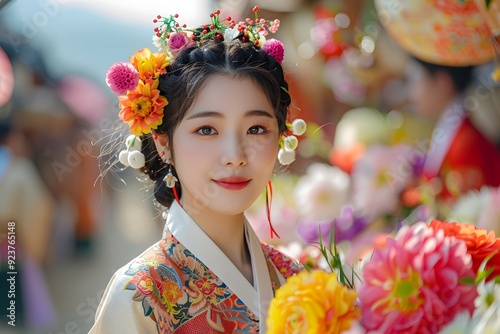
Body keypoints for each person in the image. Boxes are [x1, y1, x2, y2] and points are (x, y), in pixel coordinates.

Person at [90, 7, 306, 333]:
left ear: (280, 137)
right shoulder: (139, 296)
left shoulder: (298, 280)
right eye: (207, 129)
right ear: (163, 143)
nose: (235, 156)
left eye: (257, 129)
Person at [407, 57, 500, 201]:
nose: (411, 93)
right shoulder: (457, 133)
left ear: (442, 82)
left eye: (416, 80)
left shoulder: (466, 145)